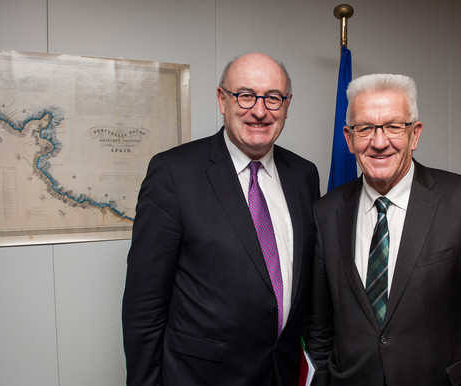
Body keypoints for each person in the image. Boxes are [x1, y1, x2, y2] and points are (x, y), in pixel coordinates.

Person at [122, 52, 320, 386]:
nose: (259, 110)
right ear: (221, 100)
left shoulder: (304, 175)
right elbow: (144, 308)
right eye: (245, 95)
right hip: (203, 377)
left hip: (282, 373)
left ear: (287, 105)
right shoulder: (173, 173)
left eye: (273, 98)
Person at [308, 73, 461, 385]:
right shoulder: (327, 212)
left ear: (414, 134)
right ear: (349, 139)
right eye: (365, 129)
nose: (379, 142)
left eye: (393, 126)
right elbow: (320, 332)